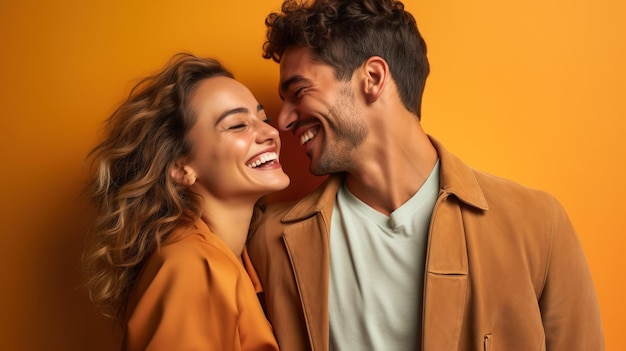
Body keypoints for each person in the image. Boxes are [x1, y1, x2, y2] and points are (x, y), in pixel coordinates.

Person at [246, 0, 605, 350]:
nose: (284, 120)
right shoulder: (269, 240)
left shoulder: (537, 223)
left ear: (372, 78)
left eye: (299, 92)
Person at [82, 52, 289, 350]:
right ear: (181, 168)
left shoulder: (228, 258)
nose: (270, 132)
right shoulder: (193, 266)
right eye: (237, 125)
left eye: (263, 118)